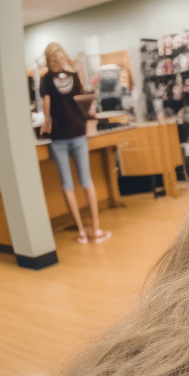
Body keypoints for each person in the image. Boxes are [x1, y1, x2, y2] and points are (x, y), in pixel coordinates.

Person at [38, 42, 109, 244]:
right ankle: (95, 230)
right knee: (86, 181)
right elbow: (82, 91)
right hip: (77, 131)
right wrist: (73, 69)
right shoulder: (69, 74)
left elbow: (47, 102)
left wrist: (47, 122)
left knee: (67, 184)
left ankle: (81, 231)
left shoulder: (45, 79)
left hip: (60, 136)